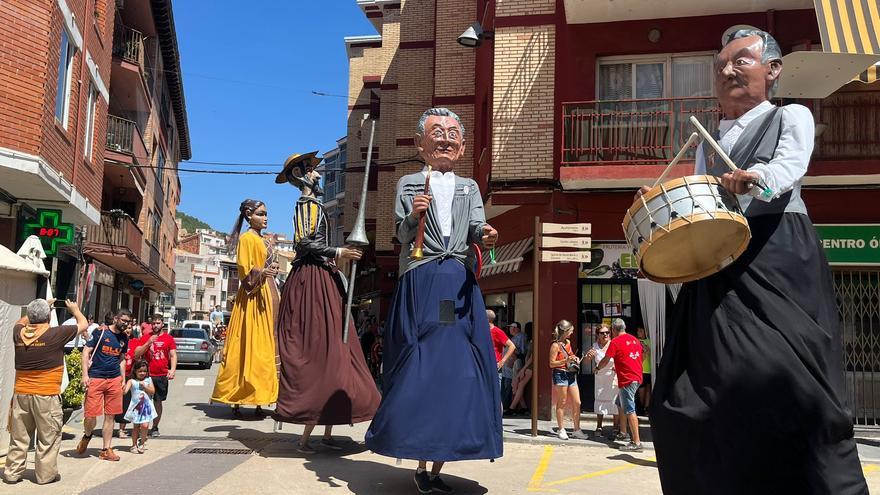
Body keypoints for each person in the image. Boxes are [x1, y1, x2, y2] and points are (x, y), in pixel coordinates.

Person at [640, 29, 867, 493]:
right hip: (717, 263)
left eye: (741, 61)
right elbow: (701, 200)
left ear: (773, 70)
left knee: (792, 384)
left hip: (777, 253)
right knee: (691, 392)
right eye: (721, 64)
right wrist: (661, 198)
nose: (727, 71)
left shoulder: (791, 117)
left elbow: (788, 168)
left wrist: (755, 179)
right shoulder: (707, 141)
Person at [366, 108, 502, 494]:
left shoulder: (470, 187)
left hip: (456, 279)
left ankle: (438, 460)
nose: (445, 138)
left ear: (461, 147)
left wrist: (485, 234)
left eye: (453, 133)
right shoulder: (409, 183)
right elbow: (400, 233)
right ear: (420, 144)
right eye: (437, 132)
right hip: (420, 275)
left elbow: (476, 226)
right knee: (417, 360)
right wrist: (413, 216)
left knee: (459, 366)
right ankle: (414, 450)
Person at [271, 151, 379, 453]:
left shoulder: (314, 204)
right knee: (323, 352)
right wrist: (339, 253)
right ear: (300, 175)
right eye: (312, 171)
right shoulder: (307, 204)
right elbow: (304, 243)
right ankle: (307, 436)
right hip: (312, 280)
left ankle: (328, 431)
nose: (319, 176)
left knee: (336, 350)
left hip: (320, 277)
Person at [4, 299, 88, 485]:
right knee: (48, 438)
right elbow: (83, 324)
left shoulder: (18, 333)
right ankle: (45, 476)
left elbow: (20, 322)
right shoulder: (56, 334)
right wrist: (74, 309)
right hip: (47, 395)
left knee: (19, 437)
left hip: (21, 395)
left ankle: (11, 473)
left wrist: (38, 309)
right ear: (49, 317)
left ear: (31, 317)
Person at [210, 199, 280, 416]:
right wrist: (262, 274)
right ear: (249, 215)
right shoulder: (247, 239)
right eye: (261, 213)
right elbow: (244, 271)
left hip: (268, 294)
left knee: (265, 349)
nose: (266, 217)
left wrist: (272, 270)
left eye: (266, 213)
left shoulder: (264, 239)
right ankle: (238, 399)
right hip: (252, 297)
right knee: (249, 347)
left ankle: (261, 399)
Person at [76, 308, 132, 462]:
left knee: (110, 416)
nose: (125, 324)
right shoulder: (100, 333)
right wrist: (85, 375)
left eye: (128, 322)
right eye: (123, 320)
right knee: (90, 415)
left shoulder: (124, 338)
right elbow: (86, 352)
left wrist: (123, 378)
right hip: (96, 378)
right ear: (116, 318)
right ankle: (87, 435)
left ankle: (106, 449)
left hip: (114, 379)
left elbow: (121, 358)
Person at [596, 318, 642, 451]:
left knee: (629, 409)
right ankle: (623, 433)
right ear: (624, 327)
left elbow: (606, 359)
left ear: (614, 330)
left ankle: (637, 442)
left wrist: (598, 368)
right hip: (636, 377)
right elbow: (641, 355)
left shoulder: (615, 342)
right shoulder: (634, 339)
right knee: (619, 403)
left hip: (627, 379)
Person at [134, 314, 176, 436]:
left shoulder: (168, 338)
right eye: (154, 323)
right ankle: (143, 425)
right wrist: (148, 343)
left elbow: (173, 355)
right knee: (144, 401)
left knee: (158, 402)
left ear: (163, 324)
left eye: (158, 323)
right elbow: (137, 354)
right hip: (146, 375)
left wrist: (172, 370)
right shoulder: (146, 337)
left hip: (161, 375)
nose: (156, 325)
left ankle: (155, 426)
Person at [549, 320, 587, 440]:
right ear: (565, 331)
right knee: (562, 402)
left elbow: (569, 354)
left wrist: (574, 358)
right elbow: (551, 363)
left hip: (570, 374)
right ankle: (561, 429)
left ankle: (576, 429)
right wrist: (565, 361)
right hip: (560, 374)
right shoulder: (555, 345)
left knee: (577, 402)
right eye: (570, 330)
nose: (572, 332)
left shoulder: (568, 342)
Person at [585, 325, 619, 439]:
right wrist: (588, 356)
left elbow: (619, 358)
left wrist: (617, 366)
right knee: (600, 399)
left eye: (607, 332)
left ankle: (615, 426)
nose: (605, 335)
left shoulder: (614, 344)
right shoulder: (595, 346)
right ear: (598, 335)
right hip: (600, 377)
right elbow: (586, 361)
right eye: (602, 333)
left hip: (613, 375)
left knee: (614, 401)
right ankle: (599, 425)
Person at [123, 360, 157, 454]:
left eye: (144, 371)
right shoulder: (132, 381)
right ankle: (134, 445)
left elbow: (152, 391)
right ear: (135, 371)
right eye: (140, 371)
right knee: (136, 427)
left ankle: (142, 442)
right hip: (136, 408)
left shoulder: (148, 380)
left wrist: (145, 387)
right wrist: (122, 386)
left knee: (145, 425)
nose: (142, 373)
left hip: (146, 407)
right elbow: (125, 391)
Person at [488, 310, 516, 411]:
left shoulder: (497, 331)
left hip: (494, 366)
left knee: (496, 395)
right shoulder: (481, 331)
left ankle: (498, 422)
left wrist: (502, 361)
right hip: (483, 366)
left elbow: (512, 346)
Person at [114, 320, 137, 438]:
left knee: (127, 403)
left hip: (129, 376)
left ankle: (122, 429)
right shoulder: (117, 340)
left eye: (130, 328)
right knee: (116, 402)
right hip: (116, 375)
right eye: (126, 328)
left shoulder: (134, 342)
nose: (128, 330)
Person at [509, 323, 534, 415]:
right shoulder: (529, 341)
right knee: (517, 385)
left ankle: (513, 407)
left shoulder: (531, 341)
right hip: (526, 365)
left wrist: (523, 369)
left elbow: (531, 357)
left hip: (528, 366)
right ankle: (523, 407)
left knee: (519, 385)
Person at [635, 327, 651, 414]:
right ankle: (641, 408)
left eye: (641, 331)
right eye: (638, 330)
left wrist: (644, 346)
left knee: (648, 389)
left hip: (648, 369)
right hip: (640, 369)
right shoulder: (635, 341)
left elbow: (649, 351)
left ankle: (646, 408)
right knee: (641, 390)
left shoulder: (649, 341)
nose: (638, 332)